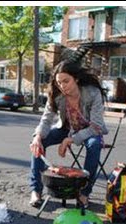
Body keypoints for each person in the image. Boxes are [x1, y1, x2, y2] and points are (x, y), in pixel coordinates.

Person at [29, 60, 108, 208]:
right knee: (38, 142)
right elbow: (46, 120)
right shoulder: (57, 95)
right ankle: (36, 190)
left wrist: (69, 140)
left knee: (95, 144)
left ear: (76, 79)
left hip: (90, 131)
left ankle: (84, 193)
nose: (62, 86)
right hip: (67, 129)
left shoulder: (92, 93)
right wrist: (37, 136)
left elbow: (96, 126)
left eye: (66, 81)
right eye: (59, 82)